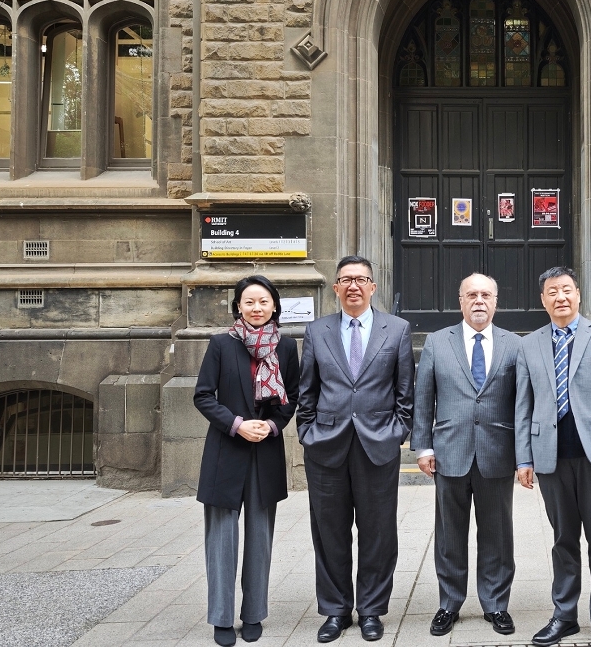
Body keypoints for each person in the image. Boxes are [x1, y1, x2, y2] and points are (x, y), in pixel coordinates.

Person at [296, 256, 415, 643]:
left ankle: (371, 610)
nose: (353, 286)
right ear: (335, 288)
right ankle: (335, 610)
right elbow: (307, 391)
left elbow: (405, 393)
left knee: (378, 532)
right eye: (345, 280)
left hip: (377, 445)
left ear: (372, 287)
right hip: (325, 447)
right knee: (329, 531)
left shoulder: (397, 330)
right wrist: (307, 432)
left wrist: (396, 432)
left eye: (361, 279)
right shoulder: (317, 331)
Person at [514, 266, 591, 647]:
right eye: (552, 291)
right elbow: (523, 406)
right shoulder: (528, 344)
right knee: (563, 539)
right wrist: (523, 459)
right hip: (550, 457)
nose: (560, 297)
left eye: (566, 290)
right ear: (543, 299)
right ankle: (564, 616)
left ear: (578, 294)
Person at [410, 273, 521, 637]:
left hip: (497, 453)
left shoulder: (513, 344)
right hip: (449, 452)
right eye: (471, 295)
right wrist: (423, 446)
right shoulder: (437, 342)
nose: (478, 301)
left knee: (497, 534)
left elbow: (523, 403)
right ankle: (449, 603)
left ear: (496, 301)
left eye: (486, 295)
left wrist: (524, 455)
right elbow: (424, 397)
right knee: (449, 535)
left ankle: (496, 603)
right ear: (460, 301)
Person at [193, 275, 300, 647]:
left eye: (264, 301)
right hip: (226, 450)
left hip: (265, 451)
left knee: (259, 538)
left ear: (275, 306)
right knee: (221, 539)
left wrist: (271, 425)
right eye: (249, 302)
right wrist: (237, 424)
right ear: (238, 306)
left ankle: (253, 613)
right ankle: (222, 617)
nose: (257, 308)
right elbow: (203, 396)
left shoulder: (286, 347)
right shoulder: (221, 344)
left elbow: (291, 397)